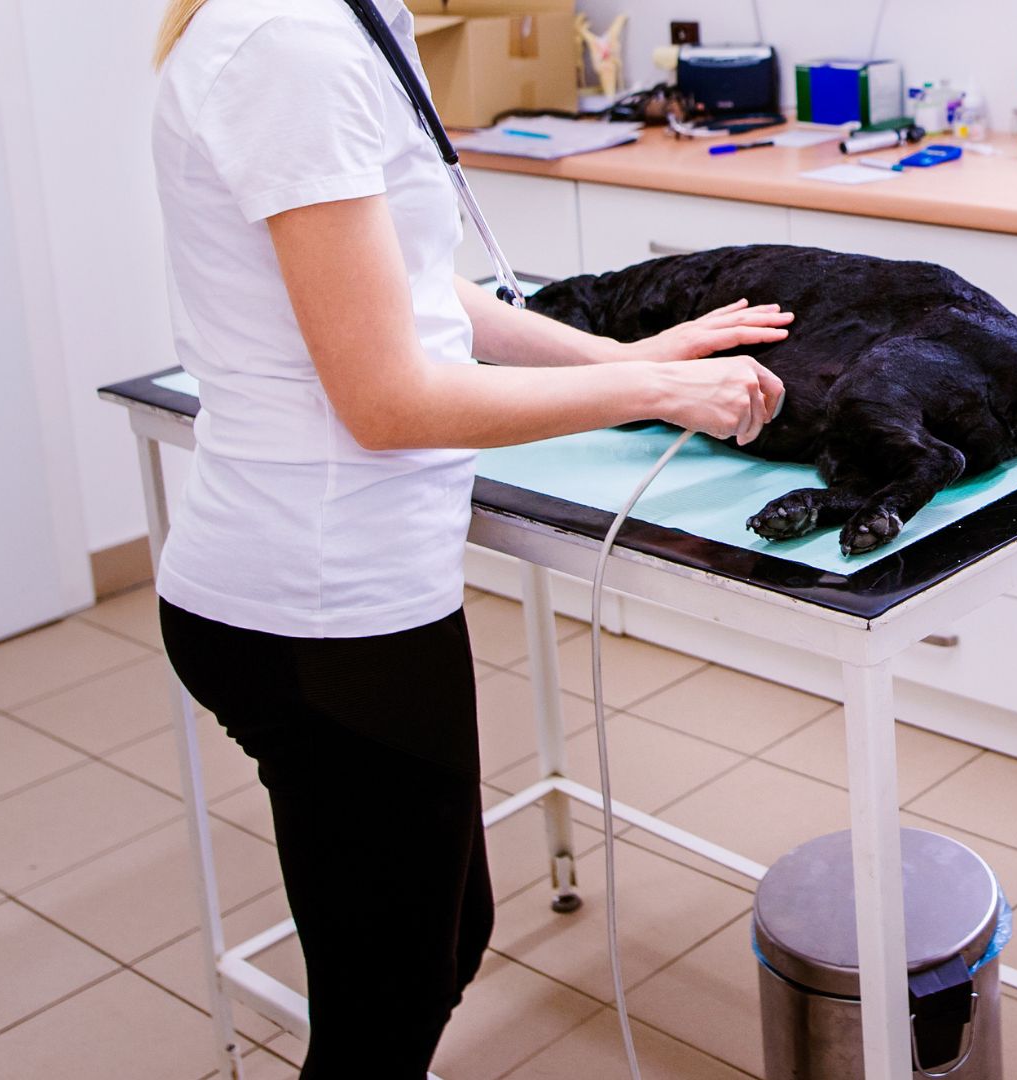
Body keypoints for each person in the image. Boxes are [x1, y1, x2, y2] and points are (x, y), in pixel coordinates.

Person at [147, 0, 787, 1074]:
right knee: (383, 1012)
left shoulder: (351, 22)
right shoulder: (287, 45)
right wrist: (654, 389)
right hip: (317, 609)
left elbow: (408, 283)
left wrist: (620, 358)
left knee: (443, 943)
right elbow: (385, 398)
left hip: (346, 596)